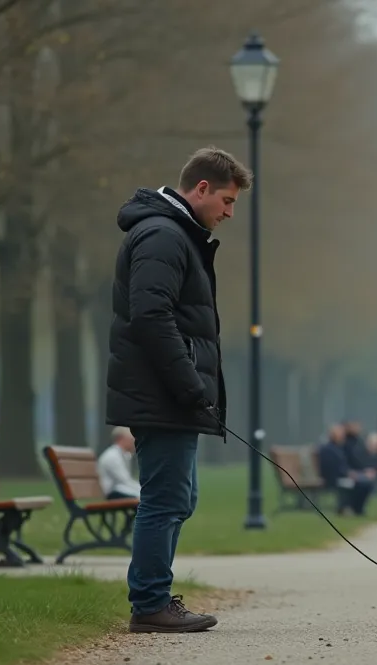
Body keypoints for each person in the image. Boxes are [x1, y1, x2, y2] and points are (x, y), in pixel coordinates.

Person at [106, 146, 251, 633]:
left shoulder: (178, 235)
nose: (230, 213)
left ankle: (154, 597)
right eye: (227, 201)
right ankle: (149, 604)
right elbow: (151, 317)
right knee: (165, 499)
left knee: (178, 498)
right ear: (202, 188)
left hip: (166, 393)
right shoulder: (163, 235)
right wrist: (190, 384)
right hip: (161, 395)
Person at [317, 424, 374, 516]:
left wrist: (360, 472)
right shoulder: (328, 449)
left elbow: (349, 463)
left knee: (367, 482)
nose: (343, 436)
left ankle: (357, 508)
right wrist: (348, 473)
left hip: (345, 475)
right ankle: (349, 507)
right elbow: (331, 468)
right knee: (360, 483)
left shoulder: (341, 448)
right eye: (341, 434)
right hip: (334, 478)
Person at [98, 427, 141, 500]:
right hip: (114, 493)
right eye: (131, 439)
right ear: (120, 439)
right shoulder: (112, 456)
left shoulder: (122, 455)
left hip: (121, 489)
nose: (134, 441)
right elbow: (125, 481)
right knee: (146, 497)